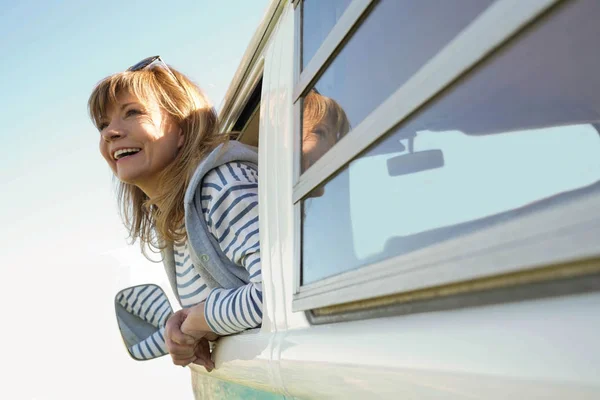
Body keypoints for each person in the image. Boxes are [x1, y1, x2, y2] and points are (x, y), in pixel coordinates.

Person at [88, 56, 262, 371]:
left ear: (181, 129)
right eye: (103, 124)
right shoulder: (179, 216)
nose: (110, 132)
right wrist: (187, 328)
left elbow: (279, 294)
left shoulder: (222, 185)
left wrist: (199, 319)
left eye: (132, 113)